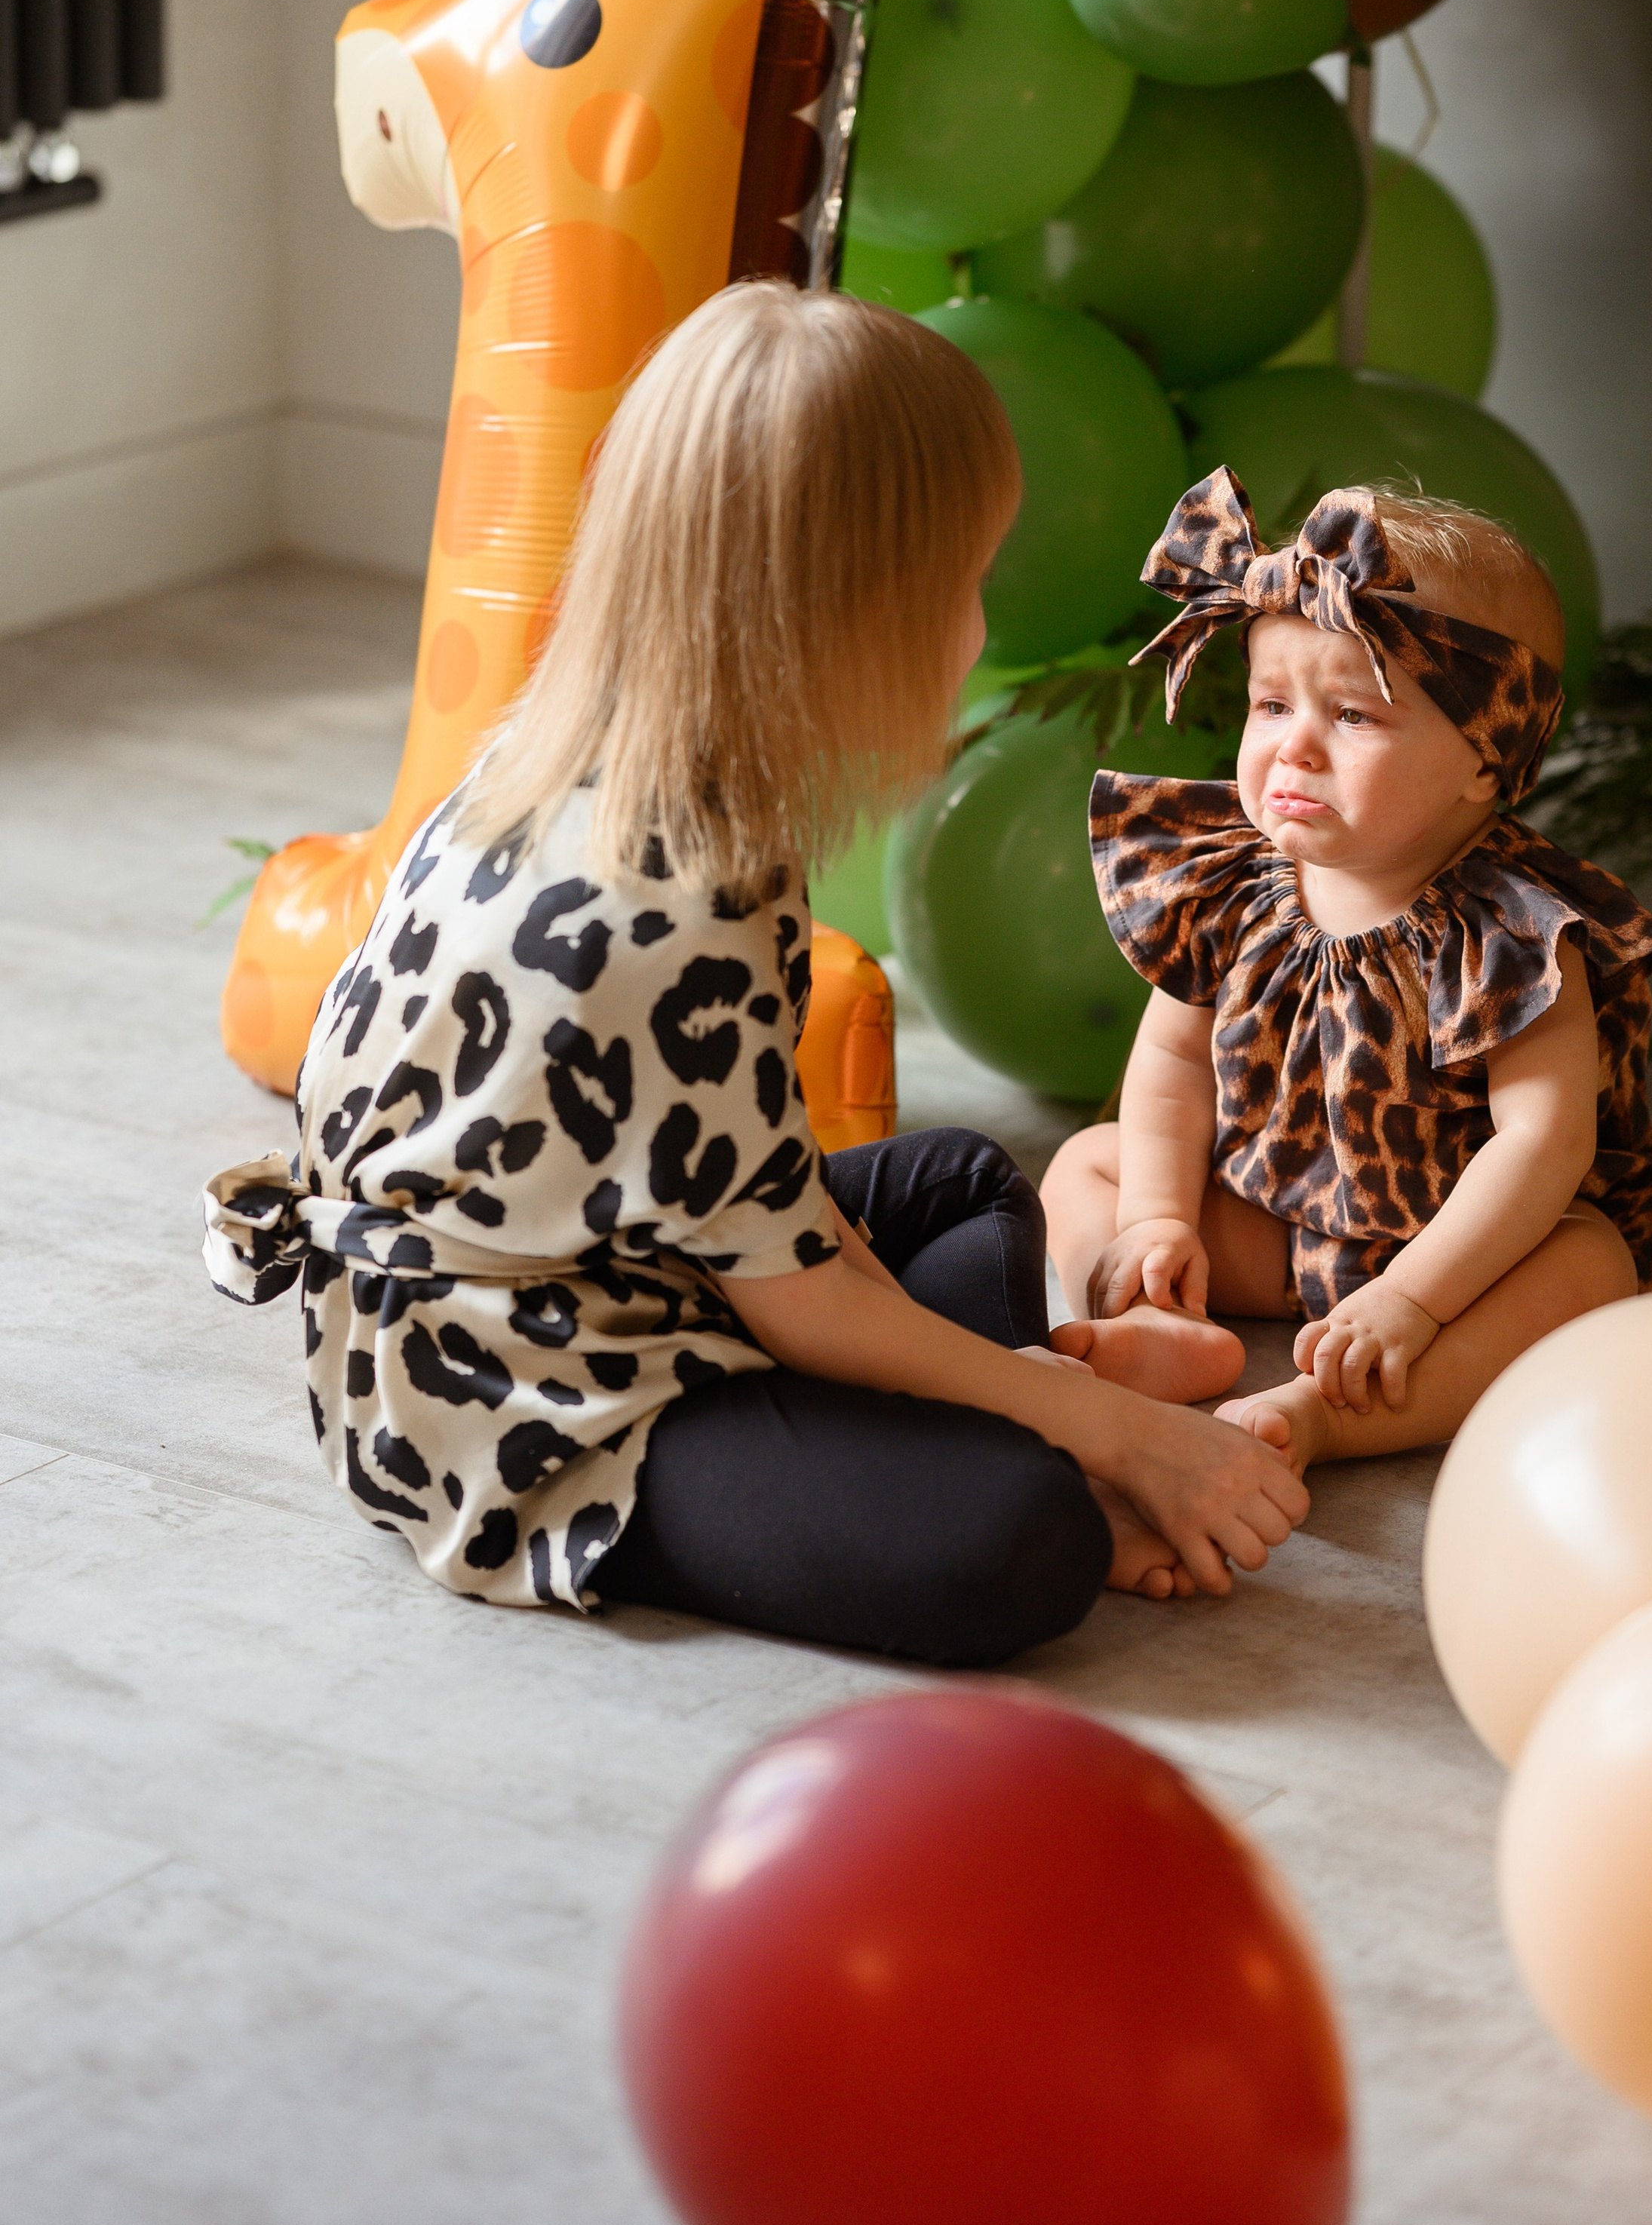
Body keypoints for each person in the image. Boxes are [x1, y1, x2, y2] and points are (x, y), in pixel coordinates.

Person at [202, 287, 1307, 1664]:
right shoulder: (677, 906)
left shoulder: (573, 754)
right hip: (522, 1391)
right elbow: (806, 1292)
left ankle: (987, 1399)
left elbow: (764, 1202)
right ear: (856, 613)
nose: (977, 621)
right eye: (964, 582)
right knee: (1026, 1543)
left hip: (603, 1264)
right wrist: (1106, 1429)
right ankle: (1017, 1415)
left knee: (961, 1177)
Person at [1042, 469, 1652, 1485]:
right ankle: (1161, 1320)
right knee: (1090, 1162)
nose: (1292, 747)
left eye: (1353, 717)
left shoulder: (1511, 932)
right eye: (1271, 703)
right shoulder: (1231, 883)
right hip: (1268, 1222)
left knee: (1590, 1268)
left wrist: (1414, 1298)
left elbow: (1544, 1143)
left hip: (1458, 1248)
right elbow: (1172, 1064)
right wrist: (1162, 1220)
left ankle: (1330, 1416)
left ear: (1488, 759)